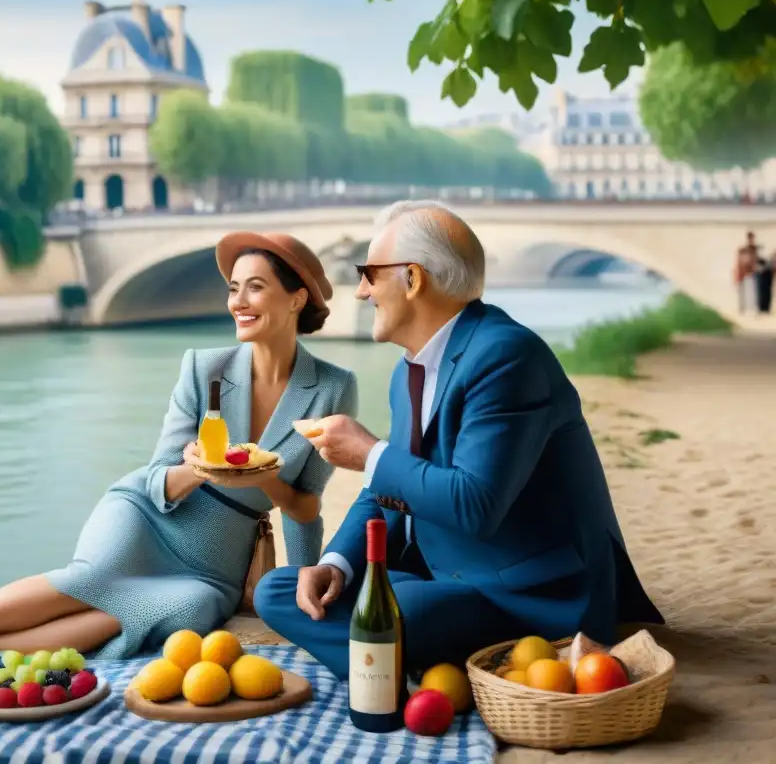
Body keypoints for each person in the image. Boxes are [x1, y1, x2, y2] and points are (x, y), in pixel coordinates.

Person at [0, 232, 358, 676]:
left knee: (185, 612)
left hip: (215, 563)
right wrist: (199, 471)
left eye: (255, 287)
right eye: (233, 288)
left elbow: (305, 506)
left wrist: (299, 585)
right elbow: (159, 475)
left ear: (296, 297)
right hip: (152, 514)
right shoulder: (200, 366)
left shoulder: (331, 386)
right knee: (96, 576)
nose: (238, 301)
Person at [253, 200, 664, 681]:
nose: (362, 291)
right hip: (445, 574)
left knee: (393, 607)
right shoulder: (409, 368)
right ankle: (399, 659)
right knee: (278, 591)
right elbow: (386, 489)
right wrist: (338, 565)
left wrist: (369, 453)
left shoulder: (506, 356)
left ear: (413, 279)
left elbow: (476, 504)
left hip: (528, 593)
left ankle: (394, 669)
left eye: (369, 273)